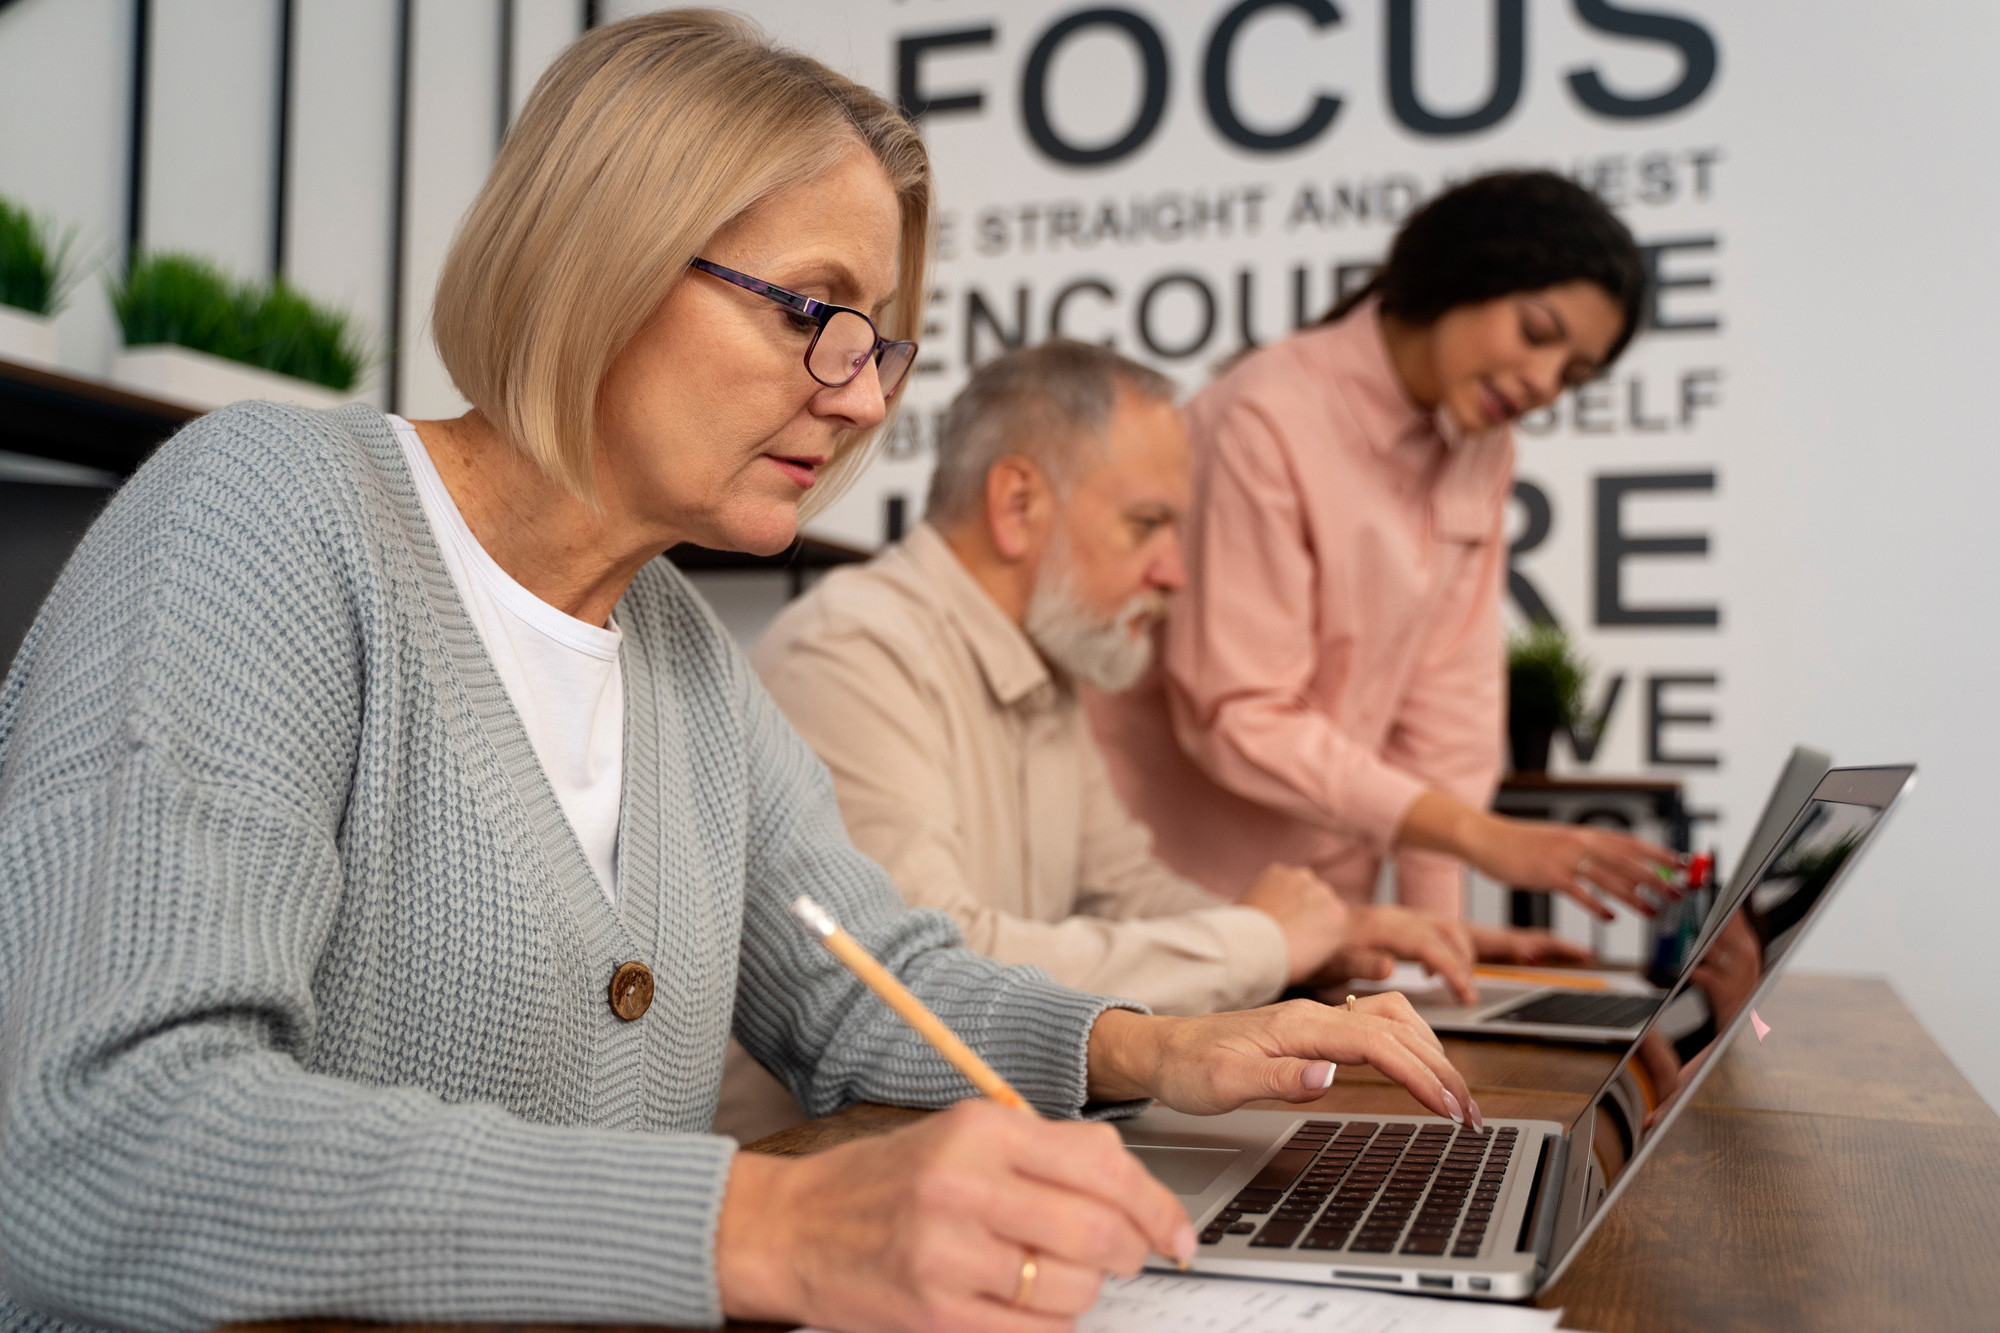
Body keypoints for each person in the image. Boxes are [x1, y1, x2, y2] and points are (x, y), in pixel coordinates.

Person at [0, 14, 1477, 1333]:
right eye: (808, 311)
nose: (856, 393)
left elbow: (868, 985)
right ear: (603, 247)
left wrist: (1158, 1047)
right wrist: (756, 1223)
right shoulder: (266, 509)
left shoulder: (682, 651)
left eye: (884, 342)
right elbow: (97, 1136)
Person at [723, 343, 1484, 1138]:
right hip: (823, 1167)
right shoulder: (848, 652)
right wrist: (1256, 940)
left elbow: (1124, 889)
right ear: (1017, 504)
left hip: (975, 1148)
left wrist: (1316, 940)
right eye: (1147, 523)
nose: (1174, 573)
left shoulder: (1049, 659)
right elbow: (931, 969)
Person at [1088, 171, 1683, 954]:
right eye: (1538, 333)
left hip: (1336, 906)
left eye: (1573, 375)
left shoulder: (1484, 449)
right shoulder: (1265, 415)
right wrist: (1475, 836)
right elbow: (1236, 715)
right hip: (1180, 899)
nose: (1544, 383)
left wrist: (1443, 952)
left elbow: (1448, 718)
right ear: (1463, 271)